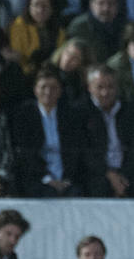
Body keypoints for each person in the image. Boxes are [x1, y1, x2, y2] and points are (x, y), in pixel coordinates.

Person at [11, 64, 87, 196]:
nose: (48, 92)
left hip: (66, 180)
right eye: (43, 87)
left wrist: (66, 180)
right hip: (37, 179)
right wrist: (47, 179)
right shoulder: (24, 115)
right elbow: (26, 155)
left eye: (53, 88)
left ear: (60, 91)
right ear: (35, 90)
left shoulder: (70, 116)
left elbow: (75, 152)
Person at [84, 64, 134, 198]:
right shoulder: (82, 112)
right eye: (100, 87)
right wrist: (109, 174)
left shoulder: (130, 111)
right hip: (99, 173)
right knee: (98, 188)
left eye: (110, 87)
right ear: (90, 88)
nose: (105, 92)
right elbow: (85, 152)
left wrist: (123, 175)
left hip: (127, 172)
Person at [67, 0, 125, 66]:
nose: (106, 8)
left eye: (110, 3)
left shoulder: (125, 26)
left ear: (117, 5)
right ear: (91, 4)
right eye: (101, 3)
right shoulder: (79, 27)